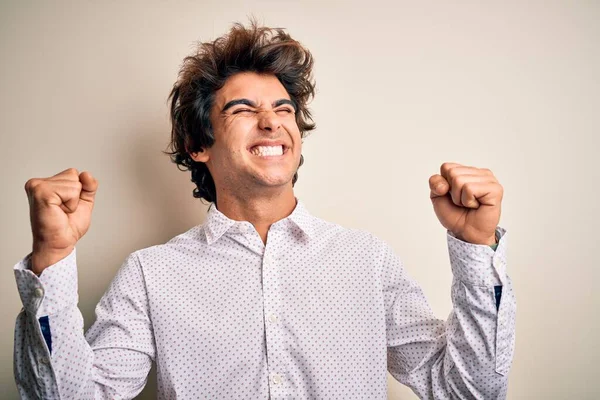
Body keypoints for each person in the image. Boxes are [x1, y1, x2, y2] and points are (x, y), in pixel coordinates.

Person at [13, 20, 516, 400]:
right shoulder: (150, 275)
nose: (272, 123)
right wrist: (52, 259)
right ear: (197, 145)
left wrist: (476, 251)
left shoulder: (368, 259)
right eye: (243, 110)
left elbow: (467, 390)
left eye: (283, 109)